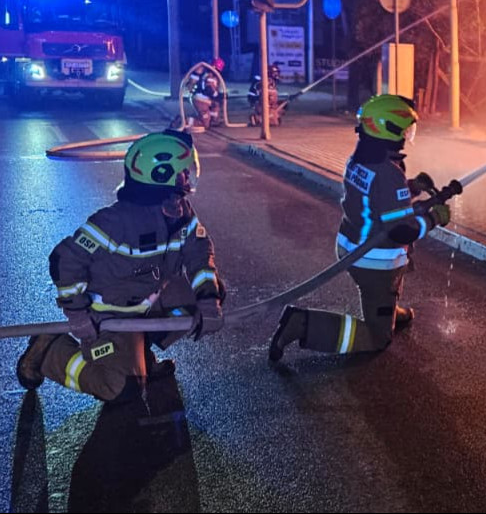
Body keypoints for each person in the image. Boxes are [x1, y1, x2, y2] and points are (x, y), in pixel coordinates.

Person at [15, 130, 224, 402]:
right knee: (119, 389)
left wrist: (209, 300)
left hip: (145, 304)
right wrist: (78, 314)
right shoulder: (115, 223)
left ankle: (140, 355)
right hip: (109, 314)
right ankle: (51, 351)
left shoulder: (181, 212)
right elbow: (64, 260)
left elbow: (198, 253)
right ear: (161, 176)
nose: (188, 177)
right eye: (184, 172)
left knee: (210, 294)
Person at [267, 94, 450, 361]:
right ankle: (303, 324)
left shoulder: (360, 159)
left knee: (383, 293)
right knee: (378, 338)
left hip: (351, 245)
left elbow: (377, 200)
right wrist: (435, 219)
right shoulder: (388, 173)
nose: (407, 134)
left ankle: (388, 309)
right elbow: (402, 231)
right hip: (374, 261)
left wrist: (410, 188)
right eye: (404, 129)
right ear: (388, 129)